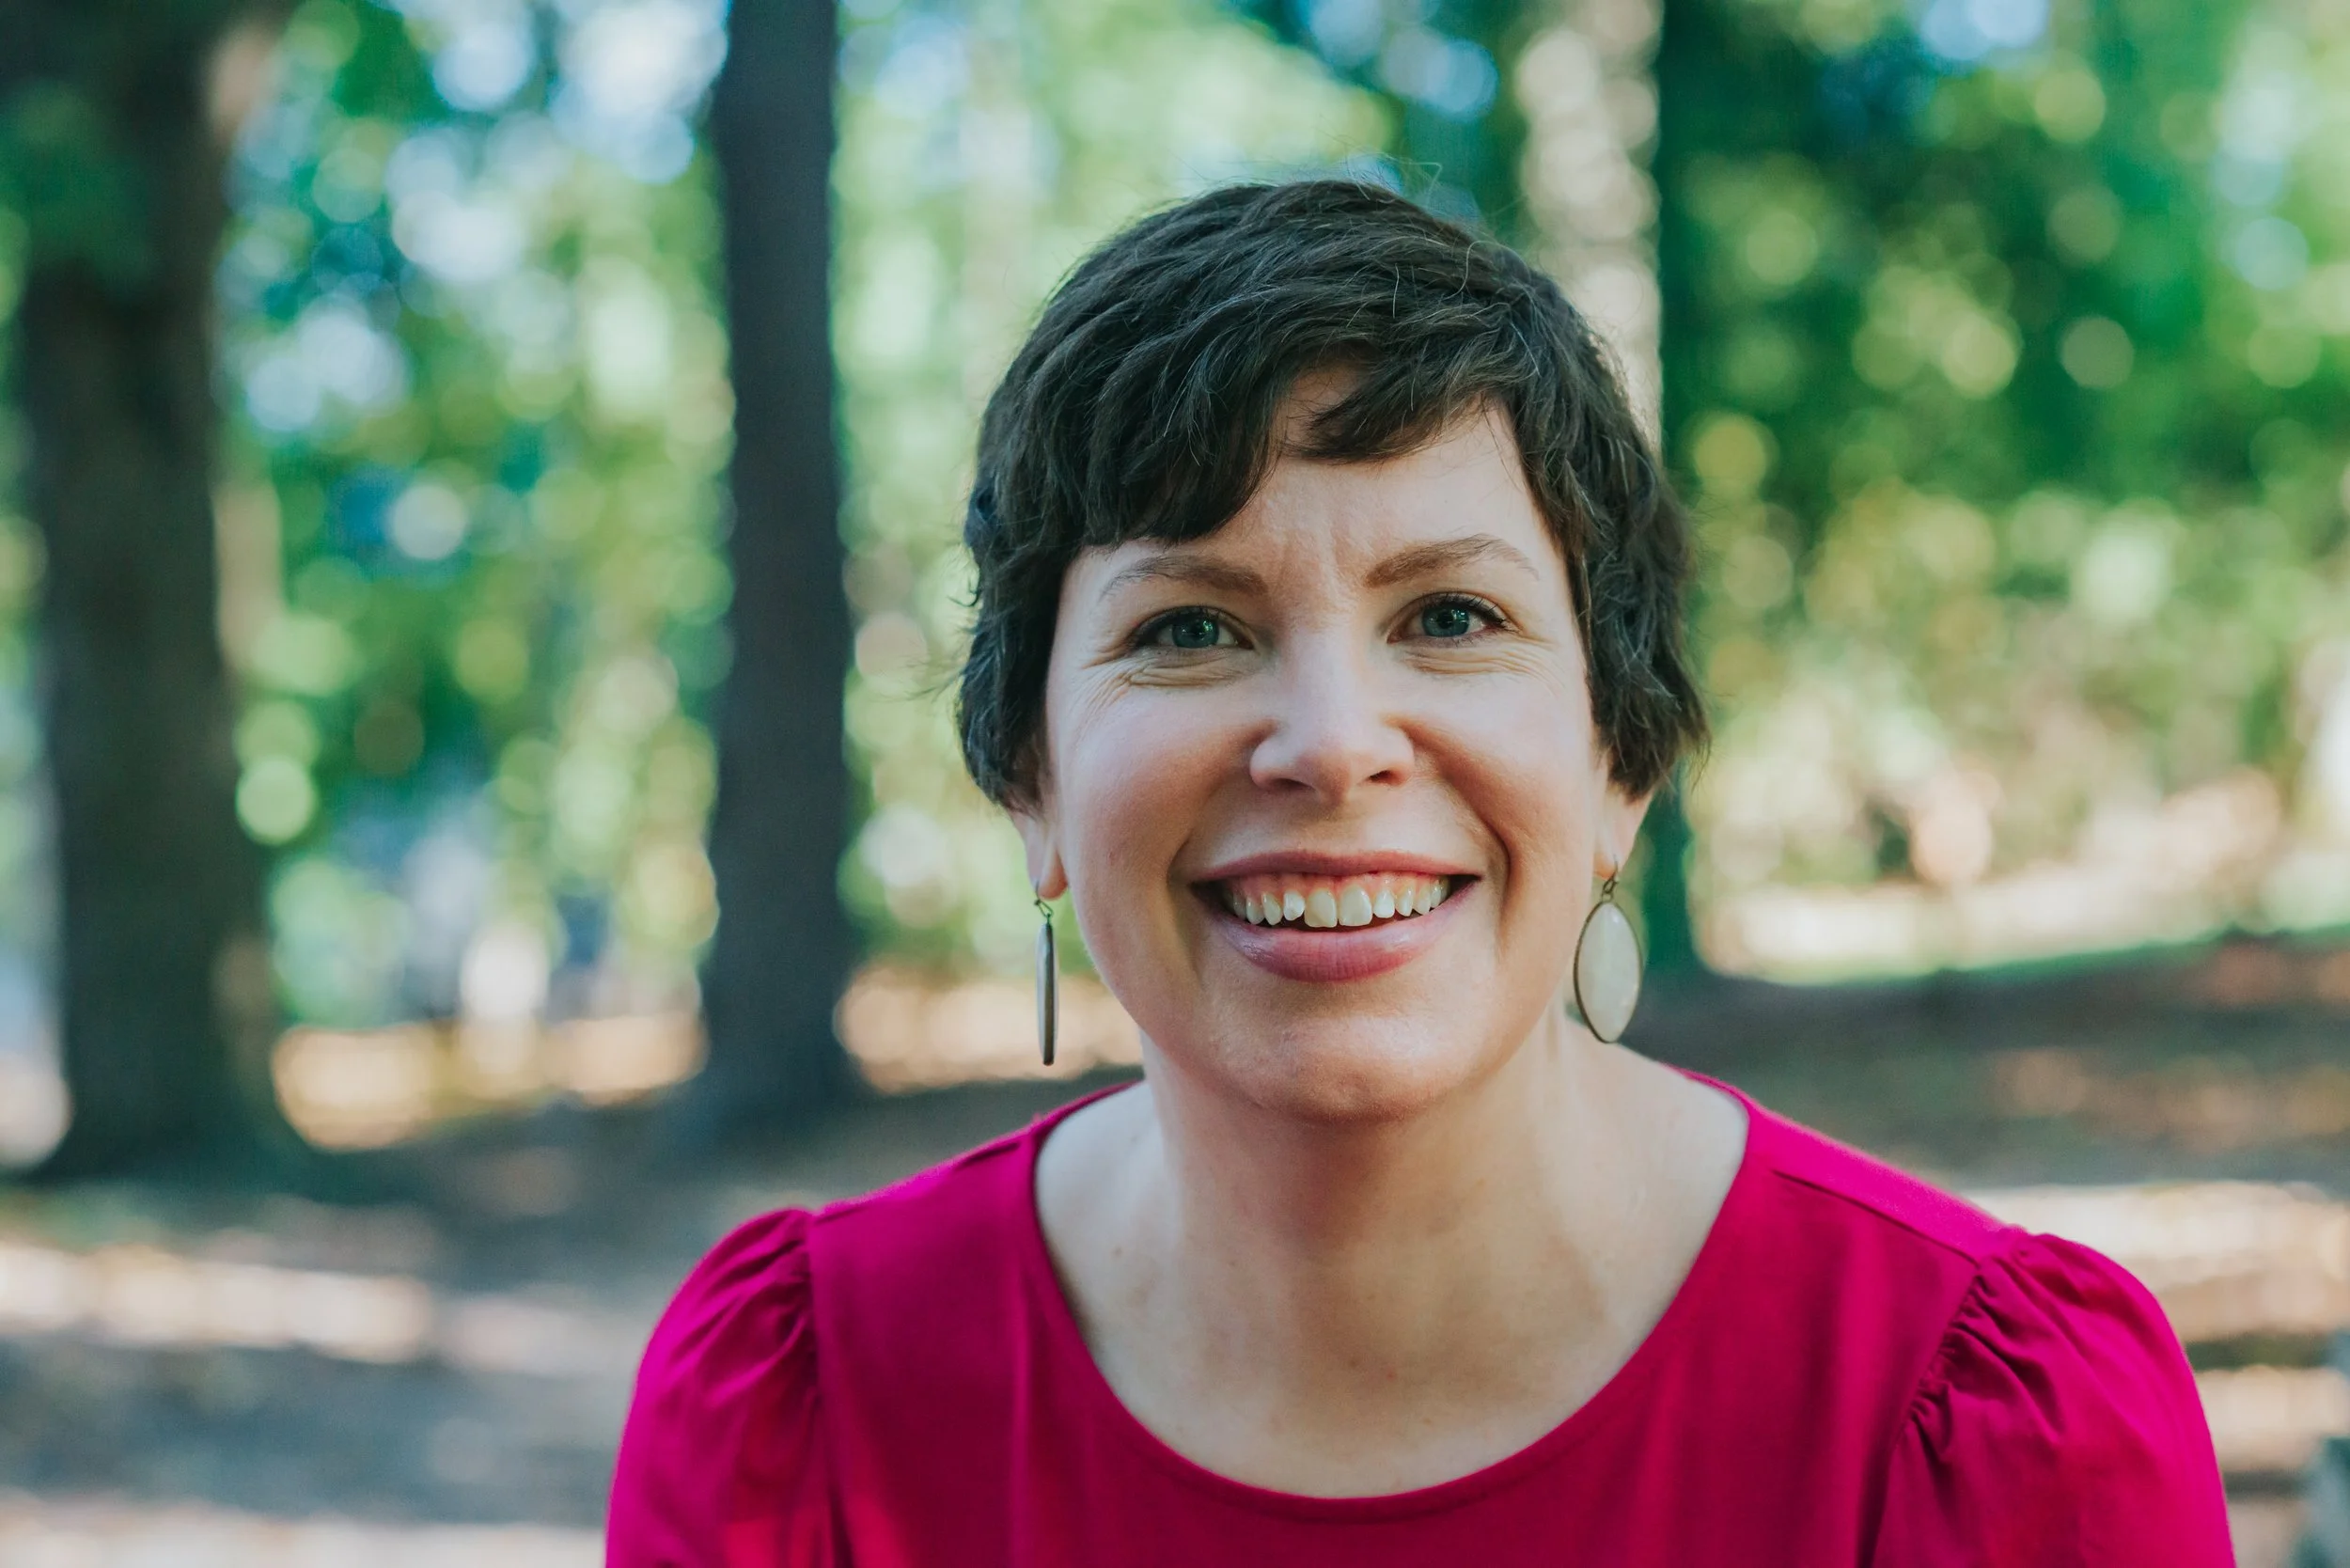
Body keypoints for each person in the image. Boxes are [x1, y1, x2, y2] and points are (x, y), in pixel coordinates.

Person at [606, 180, 2232, 1566]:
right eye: (1190, 627)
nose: (1329, 744)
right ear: (1027, 781)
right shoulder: (800, 1420)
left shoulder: (1987, 1433)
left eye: (1451, 617)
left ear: (1621, 761)